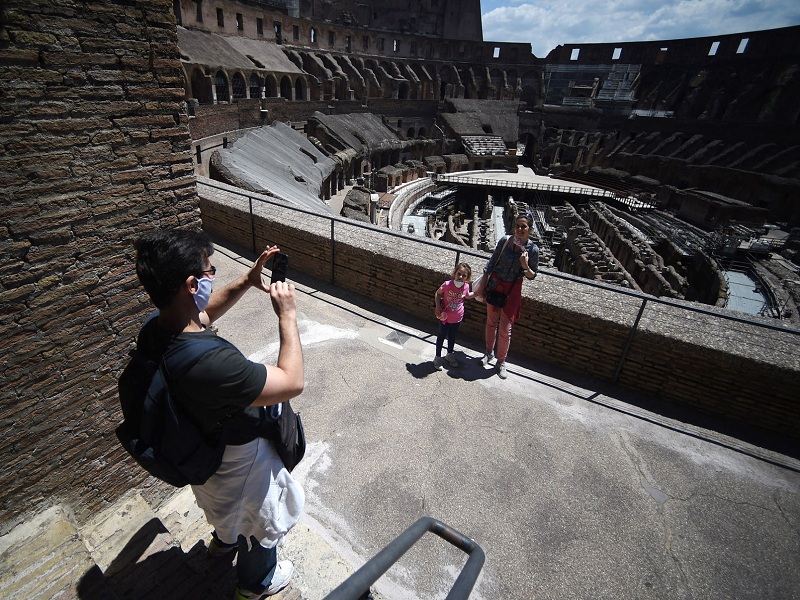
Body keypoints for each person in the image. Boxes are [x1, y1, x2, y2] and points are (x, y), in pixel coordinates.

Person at [134, 229, 304, 600]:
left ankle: (223, 545)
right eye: (209, 272)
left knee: (222, 507)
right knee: (261, 520)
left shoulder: (157, 327)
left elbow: (203, 314)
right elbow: (292, 382)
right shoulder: (213, 363)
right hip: (241, 461)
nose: (213, 277)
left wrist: (246, 280)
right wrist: (287, 315)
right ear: (191, 284)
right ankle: (256, 583)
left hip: (201, 454)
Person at [480, 213, 539, 379]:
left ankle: (501, 362)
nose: (520, 229)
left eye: (523, 226)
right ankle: (488, 353)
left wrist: (525, 266)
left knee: (506, 330)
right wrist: (483, 283)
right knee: (491, 323)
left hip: (512, 290)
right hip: (495, 285)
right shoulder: (505, 241)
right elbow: (491, 262)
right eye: (517, 226)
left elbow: (533, 275)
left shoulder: (533, 250)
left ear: (530, 229)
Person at [433, 262, 475, 369]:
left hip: (457, 318)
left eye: (464, 275)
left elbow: (467, 295)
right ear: (455, 273)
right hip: (445, 318)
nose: (460, 277)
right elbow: (438, 294)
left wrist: (477, 293)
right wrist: (438, 306)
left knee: (452, 337)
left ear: (467, 278)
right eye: (459, 274)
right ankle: (437, 357)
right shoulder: (447, 285)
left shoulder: (465, 286)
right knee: (441, 336)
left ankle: (449, 354)